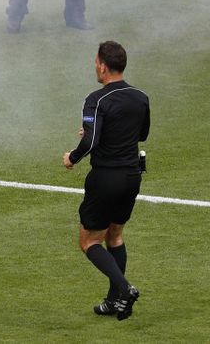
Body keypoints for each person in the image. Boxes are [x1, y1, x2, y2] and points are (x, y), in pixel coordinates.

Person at [62, 41, 149, 320]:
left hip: (106, 178)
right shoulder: (141, 97)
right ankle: (113, 302)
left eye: (95, 62)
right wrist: (98, 133)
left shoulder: (96, 99)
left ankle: (124, 289)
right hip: (132, 176)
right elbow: (141, 134)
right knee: (116, 235)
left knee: (88, 241)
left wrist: (72, 157)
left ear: (102, 65)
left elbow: (90, 142)